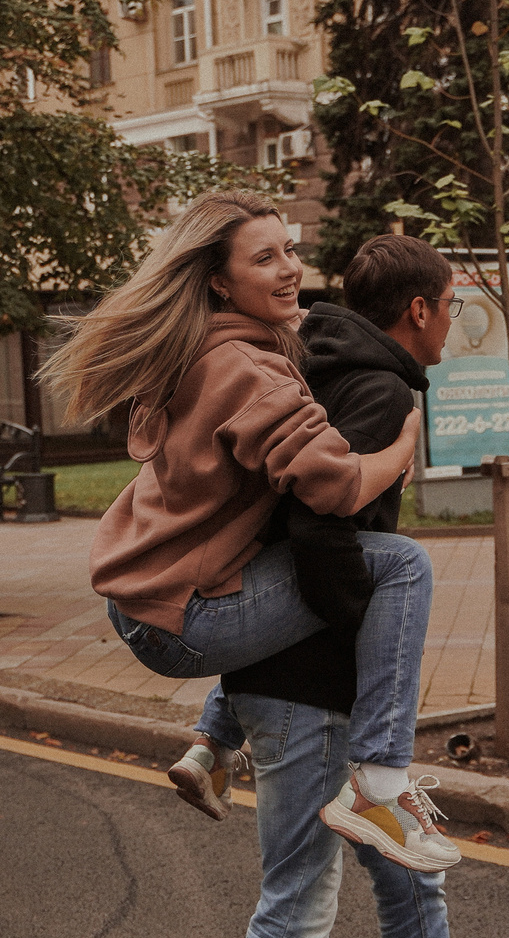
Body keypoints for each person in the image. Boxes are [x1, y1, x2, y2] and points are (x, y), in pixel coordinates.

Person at [191, 235, 509, 938]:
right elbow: (318, 534)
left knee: (409, 883)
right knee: (295, 915)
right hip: (309, 695)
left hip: (313, 683)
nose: (449, 324)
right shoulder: (380, 390)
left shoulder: (320, 360)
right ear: (422, 313)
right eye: (448, 308)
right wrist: (363, 643)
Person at [42, 191, 462, 874]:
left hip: (150, 597)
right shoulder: (248, 366)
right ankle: (381, 786)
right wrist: (400, 449)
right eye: (264, 258)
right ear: (219, 280)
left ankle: (213, 741)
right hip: (183, 617)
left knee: (272, 562)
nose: (289, 268)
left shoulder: (214, 347)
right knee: (403, 567)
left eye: (290, 249)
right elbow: (336, 489)